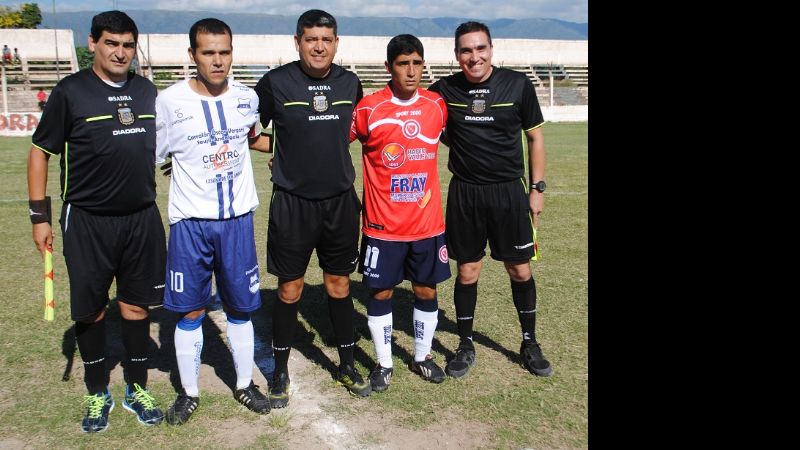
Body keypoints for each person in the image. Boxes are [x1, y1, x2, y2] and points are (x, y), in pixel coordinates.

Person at [27, 10, 166, 433]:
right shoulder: (70, 91)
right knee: (90, 311)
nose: (120, 53)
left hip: (141, 218)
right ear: (92, 44)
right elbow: (40, 152)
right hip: (87, 220)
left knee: (136, 306)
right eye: (111, 43)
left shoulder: (146, 90)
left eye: (127, 45)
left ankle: (136, 389)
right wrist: (39, 217)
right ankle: (96, 391)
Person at [155, 18, 271, 425]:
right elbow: (154, 154)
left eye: (224, 52)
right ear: (193, 55)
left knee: (240, 309)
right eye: (208, 53)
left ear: (232, 53)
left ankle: (244, 384)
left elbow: (253, 138)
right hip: (190, 224)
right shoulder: (169, 102)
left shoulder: (246, 98)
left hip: (236, 221)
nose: (217, 60)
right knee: (190, 313)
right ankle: (188, 393)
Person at [253, 9, 369, 407]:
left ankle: (347, 364)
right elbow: (250, 134)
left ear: (336, 43)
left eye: (326, 39)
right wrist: (284, 150)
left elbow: (355, 132)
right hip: (293, 204)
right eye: (311, 39)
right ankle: (280, 372)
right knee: (290, 288)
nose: (319, 46)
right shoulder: (275, 83)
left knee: (339, 285)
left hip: (340, 203)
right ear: (298, 42)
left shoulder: (350, 83)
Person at [429, 21, 553, 379]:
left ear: (491, 49)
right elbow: (429, 124)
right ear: (457, 55)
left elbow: (535, 139)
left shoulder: (517, 84)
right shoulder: (444, 90)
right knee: (467, 271)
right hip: (465, 193)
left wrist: (537, 189)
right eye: (466, 50)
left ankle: (529, 343)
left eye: (480, 48)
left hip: (509, 192)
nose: (474, 57)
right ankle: (465, 344)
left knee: (520, 269)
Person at [350, 34, 450, 392]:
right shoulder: (369, 109)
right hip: (383, 227)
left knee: (426, 290)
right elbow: (329, 144)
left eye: (417, 63)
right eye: (403, 63)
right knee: (381, 293)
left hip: (427, 225)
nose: (411, 71)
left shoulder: (437, 105)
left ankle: (421, 356)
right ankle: (384, 362)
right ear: (388, 67)